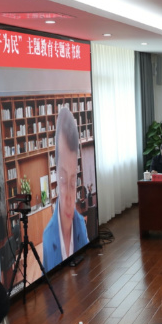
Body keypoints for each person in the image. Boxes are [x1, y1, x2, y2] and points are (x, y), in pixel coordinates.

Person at [42, 107, 90, 272]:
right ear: (56, 173)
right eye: (63, 180)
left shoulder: (81, 226)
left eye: (73, 181)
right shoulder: (48, 237)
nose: (70, 198)